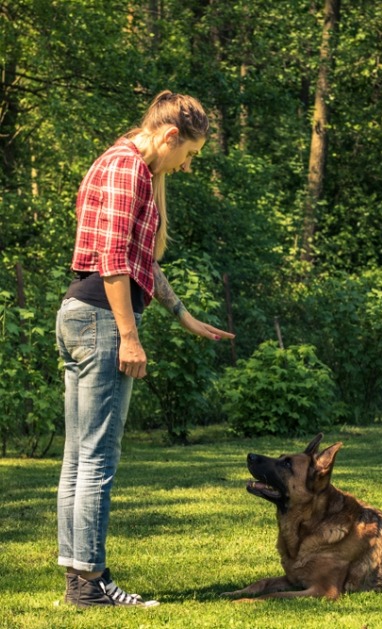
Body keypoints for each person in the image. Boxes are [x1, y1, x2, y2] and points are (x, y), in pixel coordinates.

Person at [55, 90, 234, 608]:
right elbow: (113, 261)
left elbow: (147, 256)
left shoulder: (137, 168)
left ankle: (79, 581)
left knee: (79, 459)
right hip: (101, 320)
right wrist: (129, 336)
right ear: (171, 135)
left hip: (88, 317)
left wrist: (183, 316)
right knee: (96, 460)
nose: (187, 166)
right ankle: (91, 584)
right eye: (189, 155)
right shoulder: (124, 167)